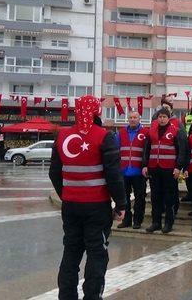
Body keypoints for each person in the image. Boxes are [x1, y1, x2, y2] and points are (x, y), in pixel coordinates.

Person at [49, 95, 126, 300]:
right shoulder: (104, 136)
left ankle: (66, 296)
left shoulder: (62, 135)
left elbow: (54, 173)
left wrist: (66, 195)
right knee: (97, 253)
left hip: (71, 206)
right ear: (96, 111)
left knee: (71, 251)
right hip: (97, 207)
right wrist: (121, 203)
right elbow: (113, 175)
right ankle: (92, 296)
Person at [142, 108, 187, 234]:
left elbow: (181, 151)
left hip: (169, 169)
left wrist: (178, 167)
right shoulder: (151, 131)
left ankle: (168, 223)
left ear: (168, 118)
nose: (161, 119)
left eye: (164, 117)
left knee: (169, 197)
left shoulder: (176, 131)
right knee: (155, 197)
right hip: (154, 168)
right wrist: (145, 165)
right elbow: (147, 149)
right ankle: (156, 222)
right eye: (160, 117)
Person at [115, 111, 148, 229]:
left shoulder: (145, 132)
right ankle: (126, 220)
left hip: (139, 171)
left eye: (135, 117)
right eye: (130, 117)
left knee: (140, 197)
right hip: (123, 171)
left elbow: (147, 151)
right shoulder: (121, 133)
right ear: (127, 119)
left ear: (140, 119)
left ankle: (138, 220)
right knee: (124, 198)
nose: (133, 119)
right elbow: (115, 150)